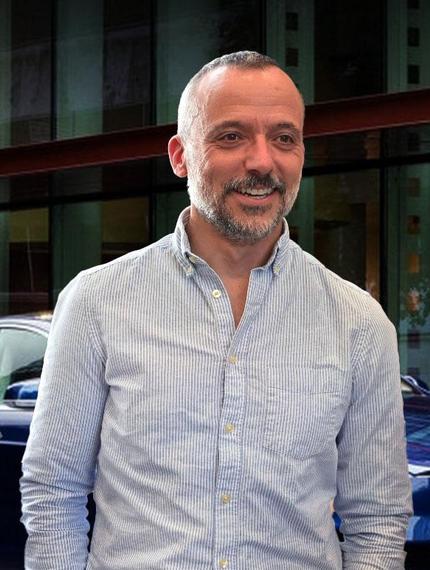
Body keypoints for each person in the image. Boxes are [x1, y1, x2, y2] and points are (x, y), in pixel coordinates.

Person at [21, 51, 412, 569]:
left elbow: (378, 521)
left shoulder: (359, 324)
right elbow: (53, 493)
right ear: (180, 156)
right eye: (231, 136)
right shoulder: (97, 303)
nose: (262, 162)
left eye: (284, 137)